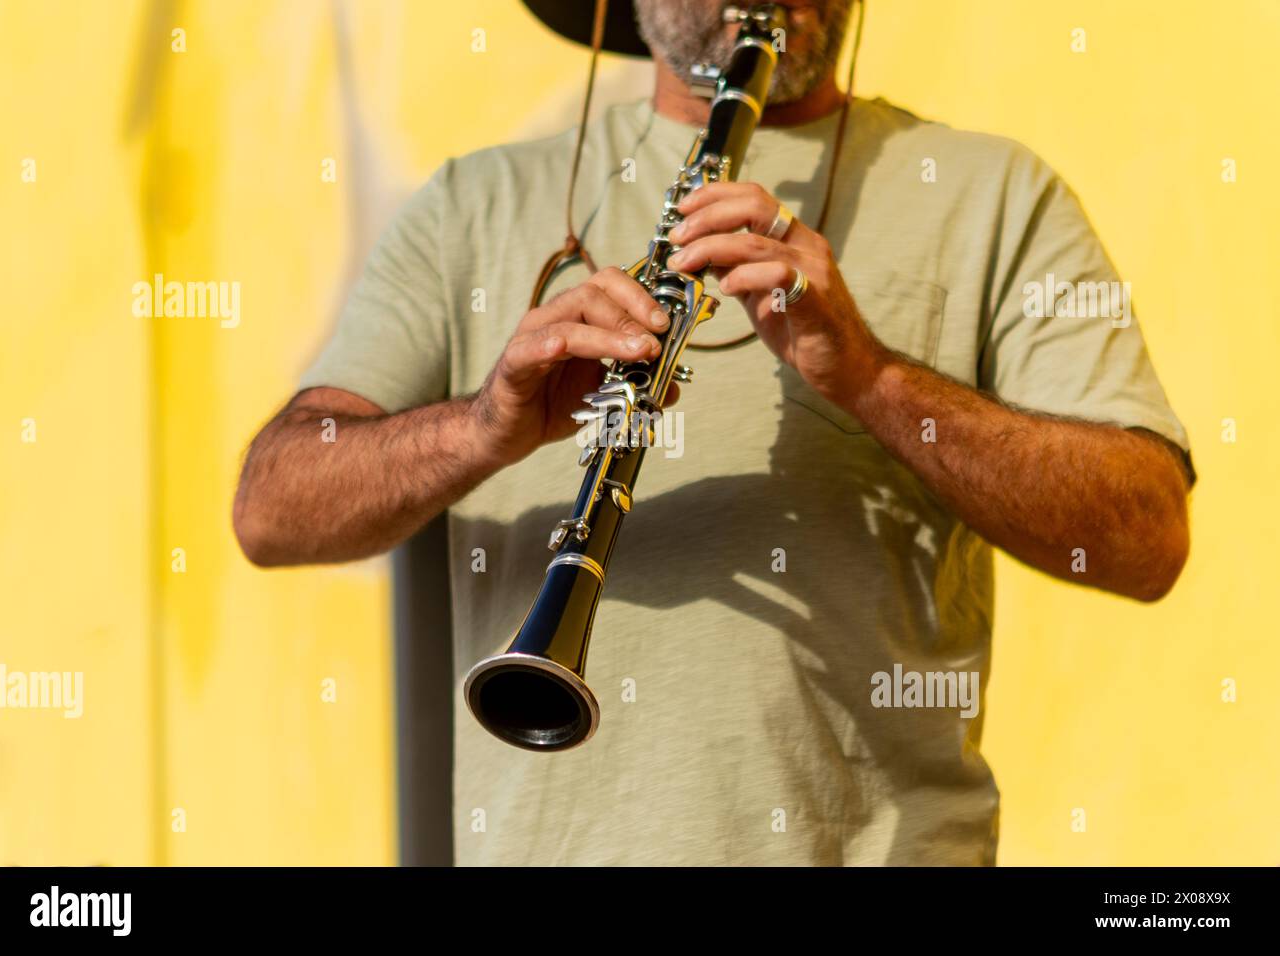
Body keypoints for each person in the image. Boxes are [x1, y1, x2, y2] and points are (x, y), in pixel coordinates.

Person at [232, 0, 1194, 865]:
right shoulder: (467, 206)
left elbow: (1144, 535)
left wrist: (872, 378)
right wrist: (483, 428)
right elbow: (272, 511)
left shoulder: (997, 193)